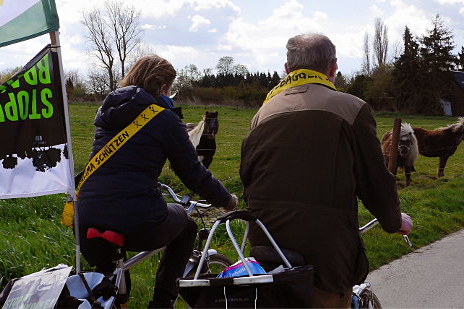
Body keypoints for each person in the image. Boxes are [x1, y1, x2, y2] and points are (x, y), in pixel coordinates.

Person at [240, 33, 412, 308]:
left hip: (267, 247)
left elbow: (247, 177)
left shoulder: (262, 113)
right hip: (324, 253)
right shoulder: (351, 108)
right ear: (333, 68)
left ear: (287, 70)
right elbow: (375, 181)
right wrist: (395, 222)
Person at [76, 55, 237, 308]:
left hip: (85, 216)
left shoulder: (107, 112)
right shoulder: (163, 117)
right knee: (186, 226)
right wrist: (226, 199)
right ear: (163, 88)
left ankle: (118, 300)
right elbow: (192, 172)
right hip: (135, 218)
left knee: (112, 278)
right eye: (170, 88)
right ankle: (162, 303)